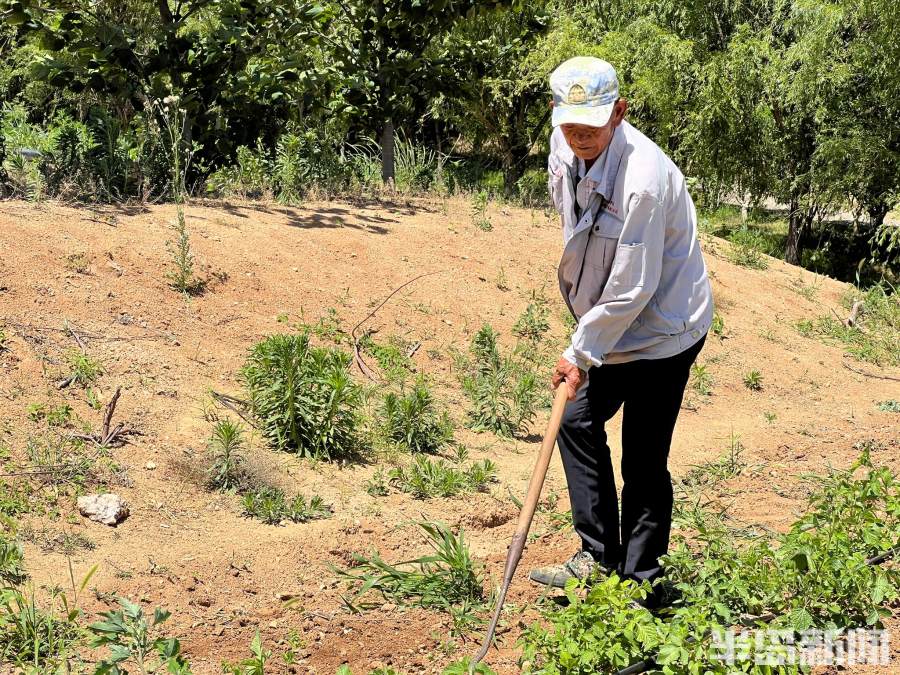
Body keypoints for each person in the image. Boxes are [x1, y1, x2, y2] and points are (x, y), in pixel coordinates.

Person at [528, 56, 714, 607]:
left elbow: (634, 286)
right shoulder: (564, 148)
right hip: (609, 327)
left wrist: (580, 351)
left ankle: (643, 582)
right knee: (576, 421)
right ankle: (598, 556)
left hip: (664, 331)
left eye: (592, 124)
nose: (580, 136)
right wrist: (589, 335)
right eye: (570, 124)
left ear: (619, 112)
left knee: (643, 458)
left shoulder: (644, 181)